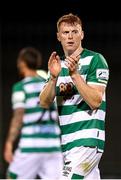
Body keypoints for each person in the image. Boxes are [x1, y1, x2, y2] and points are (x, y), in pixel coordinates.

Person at [39, 13, 109, 179]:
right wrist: (53, 78)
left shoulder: (95, 60)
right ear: (58, 36)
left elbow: (95, 101)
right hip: (67, 144)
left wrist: (75, 75)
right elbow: (43, 102)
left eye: (74, 31)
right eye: (65, 32)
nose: (70, 36)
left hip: (87, 142)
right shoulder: (57, 65)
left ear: (82, 34)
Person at [4, 47, 63, 179]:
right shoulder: (49, 84)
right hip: (53, 146)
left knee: (11, 177)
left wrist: (9, 142)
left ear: (22, 63)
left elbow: (18, 116)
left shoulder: (21, 87)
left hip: (30, 146)